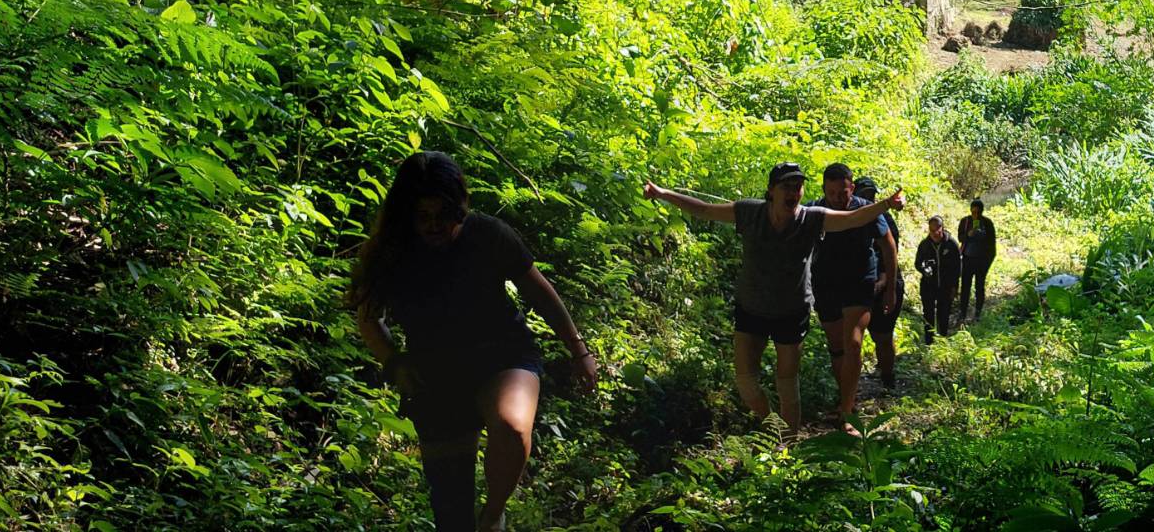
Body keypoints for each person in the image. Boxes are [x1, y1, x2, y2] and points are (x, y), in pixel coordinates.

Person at [349, 151, 597, 532]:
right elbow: (369, 319)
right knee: (451, 508)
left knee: (512, 429)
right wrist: (394, 362)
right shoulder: (391, 252)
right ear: (406, 214)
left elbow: (541, 294)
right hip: (437, 375)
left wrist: (579, 350)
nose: (434, 226)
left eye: (443, 216)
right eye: (423, 217)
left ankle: (492, 517)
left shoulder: (488, 235)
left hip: (504, 356)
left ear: (460, 207)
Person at [641, 163, 902, 433]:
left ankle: (787, 441)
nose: (793, 192)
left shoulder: (811, 218)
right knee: (745, 381)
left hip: (792, 310)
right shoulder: (750, 212)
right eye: (786, 186)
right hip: (751, 307)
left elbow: (852, 219)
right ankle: (773, 426)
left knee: (788, 381)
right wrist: (663, 193)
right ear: (771, 191)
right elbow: (705, 209)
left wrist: (885, 204)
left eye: (797, 187)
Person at [805, 163, 897, 417]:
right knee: (837, 345)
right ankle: (847, 395)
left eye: (843, 193)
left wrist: (890, 288)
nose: (837, 199)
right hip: (826, 283)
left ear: (852, 188)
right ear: (824, 190)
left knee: (853, 342)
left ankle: (846, 412)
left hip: (860, 282)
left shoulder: (867, 211)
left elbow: (888, 247)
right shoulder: (814, 211)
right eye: (832, 193)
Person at [854, 177, 906, 389]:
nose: (868, 199)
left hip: (885, 285)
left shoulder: (884, 219)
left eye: (871, 195)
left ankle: (887, 378)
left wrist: (887, 284)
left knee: (882, 336)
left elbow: (890, 253)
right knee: (852, 341)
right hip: (858, 286)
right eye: (864, 195)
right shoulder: (849, 218)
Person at [915, 215, 962, 344]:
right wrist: (924, 269)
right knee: (928, 315)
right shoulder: (924, 245)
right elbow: (917, 263)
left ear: (942, 228)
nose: (934, 233)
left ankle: (942, 341)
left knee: (944, 314)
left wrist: (955, 287)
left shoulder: (951, 244)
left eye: (937, 229)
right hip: (928, 286)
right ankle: (929, 342)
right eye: (931, 230)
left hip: (946, 287)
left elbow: (958, 268)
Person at [956, 199, 997, 324]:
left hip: (982, 260)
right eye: (973, 212)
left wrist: (988, 262)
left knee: (980, 286)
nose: (975, 215)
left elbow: (992, 244)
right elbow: (960, 237)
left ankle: (977, 314)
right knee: (965, 287)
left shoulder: (987, 223)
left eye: (978, 212)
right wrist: (969, 234)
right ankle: (962, 314)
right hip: (967, 259)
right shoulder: (965, 221)